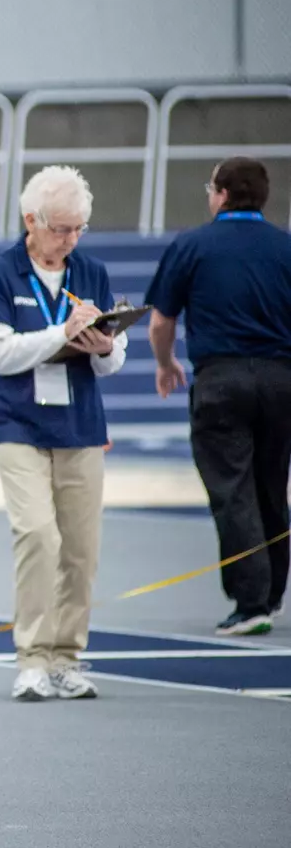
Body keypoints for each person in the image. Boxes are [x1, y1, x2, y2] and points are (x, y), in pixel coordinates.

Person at [0, 165, 126, 702]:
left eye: (79, 229)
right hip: (15, 419)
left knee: (81, 547)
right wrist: (59, 333)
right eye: (61, 229)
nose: (70, 240)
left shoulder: (92, 271)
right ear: (30, 221)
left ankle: (67, 657)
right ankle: (32, 657)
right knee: (38, 533)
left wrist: (106, 348)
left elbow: (112, 360)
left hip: (80, 422)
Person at [145, 157, 291, 637]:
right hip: (279, 378)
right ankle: (270, 594)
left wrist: (166, 364)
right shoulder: (284, 247)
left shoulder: (192, 245)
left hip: (222, 378)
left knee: (232, 490)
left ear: (222, 194)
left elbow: (161, 319)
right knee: (272, 484)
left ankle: (251, 602)